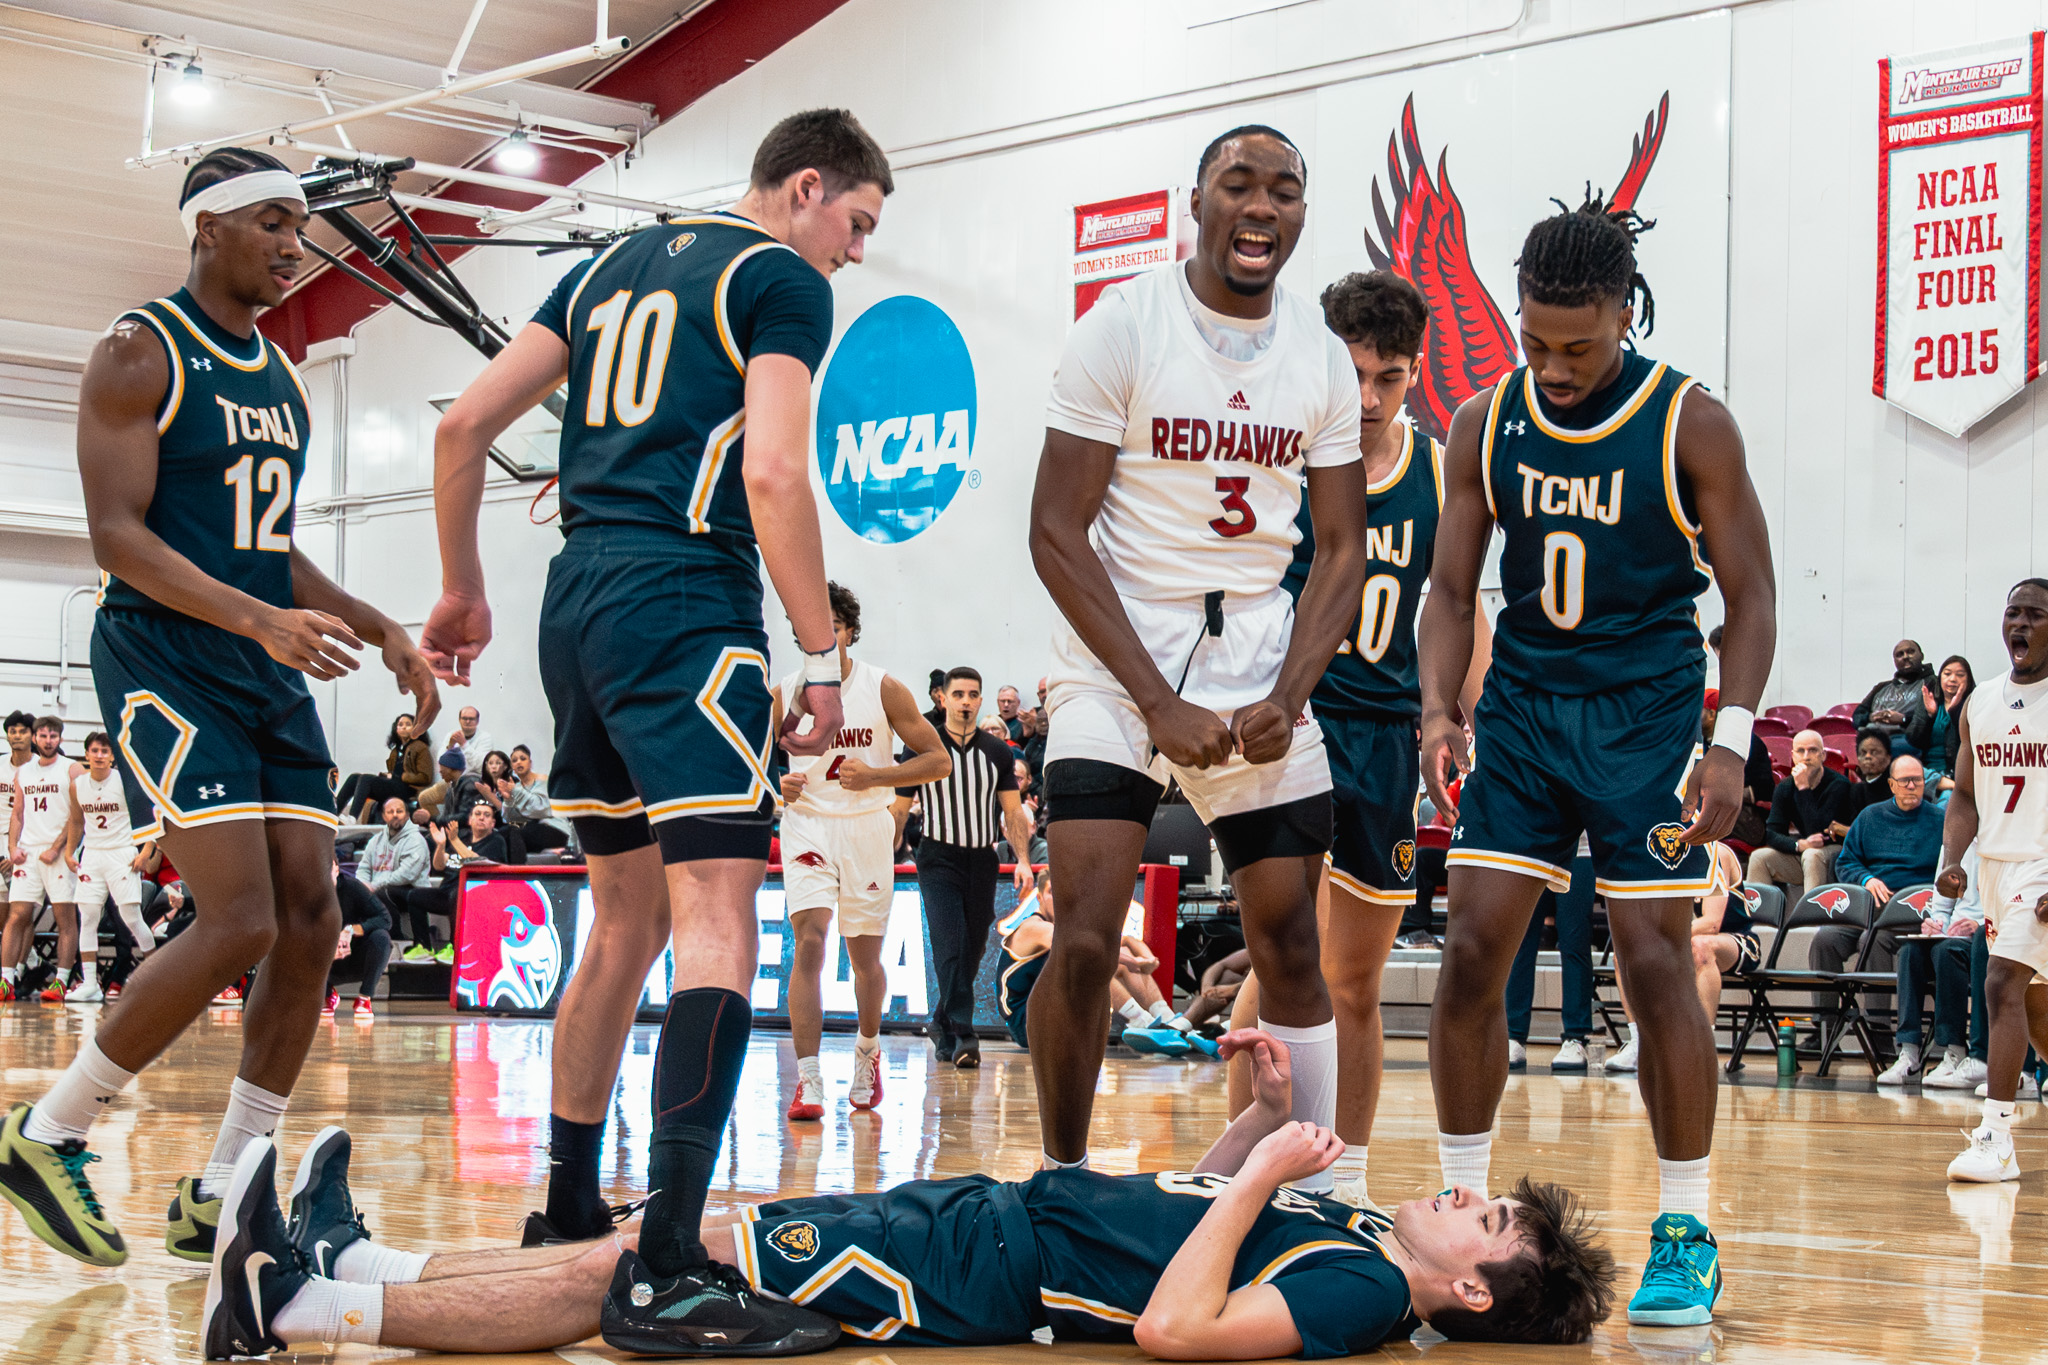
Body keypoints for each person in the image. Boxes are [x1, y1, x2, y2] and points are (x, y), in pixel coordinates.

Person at [421, 108, 890, 1349]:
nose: (850, 254)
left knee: (620, 920)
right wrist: (821, 654)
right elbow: (776, 476)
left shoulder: (602, 268)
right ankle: (668, 1259)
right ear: (805, 189)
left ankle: (570, 1211)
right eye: (855, 225)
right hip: (685, 595)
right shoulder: (779, 278)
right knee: (715, 914)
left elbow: (461, 425)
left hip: (573, 600)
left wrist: (461, 585)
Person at [0, 148, 438, 1269]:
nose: (296, 245)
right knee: (237, 917)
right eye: (274, 224)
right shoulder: (137, 350)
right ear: (208, 229)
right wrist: (255, 621)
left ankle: (230, 1184)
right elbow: (117, 536)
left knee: (314, 919)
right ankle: (49, 1130)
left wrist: (379, 623)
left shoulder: (282, 378)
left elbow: (268, 548)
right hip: (164, 654)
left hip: (258, 655)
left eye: (301, 227)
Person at [198, 1030, 1617, 1359]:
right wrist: (1253, 1108)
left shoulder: (1367, 1294)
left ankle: (306, 1307)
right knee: (649, 1239)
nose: (1465, 1196)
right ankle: (356, 1256)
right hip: (986, 1216)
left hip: (970, 1274)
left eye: (1488, 1221)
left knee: (628, 1276)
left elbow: (1179, 1330)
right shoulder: (1363, 1234)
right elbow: (1195, 1202)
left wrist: (1255, 1174)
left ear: (1477, 1284)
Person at [1414, 192, 1777, 1327]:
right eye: (1534, 341)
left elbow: (1751, 592)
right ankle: (1460, 1195)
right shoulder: (1483, 420)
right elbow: (1446, 587)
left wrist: (1729, 737)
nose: (1553, 365)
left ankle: (1685, 1227)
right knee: (1472, 945)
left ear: (1626, 314)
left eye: (1576, 345)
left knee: (1652, 958)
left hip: (1642, 713)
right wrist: (1438, 709)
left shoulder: (1690, 423)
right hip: (1520, 710)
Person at [1028, 124, 1367, 1180]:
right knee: (1083, 938)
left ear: (1300, 214)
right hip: (1115, 656)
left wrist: (1289, 688)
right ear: (1198, 202)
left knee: (1289, 946)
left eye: (1282, 190)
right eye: (1239, 185)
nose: (1260, 206)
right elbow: (1052, 529)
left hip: (1257, 652)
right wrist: (1152, 701)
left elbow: (1342, 550)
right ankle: (1064, 1183)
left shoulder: (1317, 357)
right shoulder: (1123, 325)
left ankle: (1300, 1191)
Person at [1273, 269, 1490, 1202]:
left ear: (1415, 373)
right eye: (1352, 373)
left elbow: (1462, 605)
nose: (1366, 397)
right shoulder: (1275, 459)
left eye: (1389, 378)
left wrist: (1460, 719)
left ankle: (1344, 1183)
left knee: (1350, 980)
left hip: (1384, 735)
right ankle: (1261, 1162)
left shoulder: (1440, 471)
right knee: (1288, 967)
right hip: (1286, 728)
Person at [769, 582, 949, 1120]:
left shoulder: (882, 687)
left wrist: (878, 775)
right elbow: (749, 767)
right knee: (808, 944)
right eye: (808, 630)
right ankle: (808, 1081)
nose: (819, 638)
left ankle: (867, 1054)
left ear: (848, 631)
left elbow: (937, 761)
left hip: (867, 829)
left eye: (830, 628)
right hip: (807, 827)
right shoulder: (782, 693)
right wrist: (779, 783)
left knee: (864, 960)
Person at [1939, 580, 2048, 1182]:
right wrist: (1951, 861)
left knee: (2000, 982)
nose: (2020, 624)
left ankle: (1997, 1138)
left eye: (2035, 614)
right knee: (2034, 1005)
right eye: (2013, 613)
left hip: (2044, 860)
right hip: (1997, 867)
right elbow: (1963, 794)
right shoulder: (1979, 702)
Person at [897, 667, 1036, 1067]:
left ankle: (941, 1020)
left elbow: (1012, 810)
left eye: (973, 694)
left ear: (980, 700)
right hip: (937, 857)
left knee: (973, 946)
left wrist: (1023, 860)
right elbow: (900, 808)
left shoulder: (996, 752)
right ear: (942, 698)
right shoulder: (922, 746)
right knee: (949, 940)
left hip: (982, 859)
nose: (965, 701)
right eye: (957, 694)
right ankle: (964, 1032)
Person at [997, 871, 1211, 1055]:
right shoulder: (1034, 927)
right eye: (1052, 892)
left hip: (1052, 1010)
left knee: (1114, 953)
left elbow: (1126, 941)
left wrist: (1147, 960)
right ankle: (1142, 1022)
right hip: (1026, 1022)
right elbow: (1090, 950)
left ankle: (1168, 1020)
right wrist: (1135, 962)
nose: (1058, 898)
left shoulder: (1070, 925)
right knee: (1091, 960)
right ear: (1040, 897)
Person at [1807, 754, 1946, 986]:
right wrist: (1866, 879)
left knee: (1872, 940)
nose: (1911, 786)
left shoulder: (1942, 821)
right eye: (1904, 781)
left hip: (1913, 909)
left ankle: (1877, 1022)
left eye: (1917, 780)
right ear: (1891, 785)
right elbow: (1845, 862)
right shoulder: (1869, 817)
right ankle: (1827, 1020)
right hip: (1869, 906)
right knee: (1824, 940)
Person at [62, 731, 158, 1003]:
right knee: (88, 917)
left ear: (113, 756)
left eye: (105, 751)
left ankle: (157, 976)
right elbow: (76, 821)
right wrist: (70, 851)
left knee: (131, 918)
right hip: (92, 855)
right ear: (87, 754)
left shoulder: (126, 781)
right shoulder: (77, 785)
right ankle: (90, 983)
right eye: (95, 750)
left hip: (122, 855)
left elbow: (151, 816)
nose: (100, 755)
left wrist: (146, 851)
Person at [1874, 882, 1981, 1087]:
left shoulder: (2000, 852)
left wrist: (1979, 924)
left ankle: (1955, 1050)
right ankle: (1909, 1054)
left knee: (1946, 952)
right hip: (1951, 935)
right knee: (1909, 952)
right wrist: (1936, 924)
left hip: (1983, 936)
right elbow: (1942, 905)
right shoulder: (1949, 849)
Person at [1504, 844, 1596, 1073]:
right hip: (1531, 849)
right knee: (1520, 943)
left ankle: (1576, 1036)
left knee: (1574, 943)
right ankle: (1513, 1035)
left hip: (1580, 850)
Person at [9, 717, 80, 1000]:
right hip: (28, 851)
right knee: (17, 916)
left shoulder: (72, 768)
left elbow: (77, 815)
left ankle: (61, 982)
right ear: (35, 739)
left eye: (53, 735)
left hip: (59, 853)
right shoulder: (24, 772)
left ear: (60, 739)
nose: (48, 740)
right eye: (43, 735)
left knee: (65, 919)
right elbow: (17, 813)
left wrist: (57, 848)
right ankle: (6, 980)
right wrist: (13, 846)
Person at [1747, 729, 1853, 897]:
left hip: (1838, 854)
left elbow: (1817, 830)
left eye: (1813, 750)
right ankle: (1759, 916)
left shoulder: (1839, 785)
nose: (1806, 756)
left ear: (1823, 755)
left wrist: (1803, 789)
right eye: (1800, 751)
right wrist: (1797, 845)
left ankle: (1812, 917)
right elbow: (1772, 833)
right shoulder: (1786, 787)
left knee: (1812, 855)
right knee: (1760, 857)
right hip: (1808, 852)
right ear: (1793, 756)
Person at [400, 802, 507, 962]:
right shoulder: (462, 837)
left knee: (457, 894)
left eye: (486, 815)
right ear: (470, 820)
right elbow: (439, 865)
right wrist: (441, 846)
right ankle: (423, 946)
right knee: (414, 896)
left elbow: (478, 863)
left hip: (477, 895)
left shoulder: (496, 841)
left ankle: (454, 947)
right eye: (477, 814)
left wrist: (455, 841)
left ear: (492, 823)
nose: (481, 818)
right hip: (447, 892)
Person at [325, 858, 393, 1021]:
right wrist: (326, 947)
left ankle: (364, 998)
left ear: (336, 868)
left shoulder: (352, 888)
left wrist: (351, 930)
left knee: (381, 938)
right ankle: (326, 994)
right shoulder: (307, 894)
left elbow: (385, 919)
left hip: (356, 957)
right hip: (325, 962)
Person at [335, 712, 430, 823]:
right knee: (354, 777)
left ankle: (352, 818)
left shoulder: (420, 747)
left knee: (366, 778)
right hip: (394, 785)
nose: (404, 727)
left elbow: (425, 777)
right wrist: (388, 776)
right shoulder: (396, 750)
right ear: (396, 729)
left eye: (408, 724)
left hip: (408, 790)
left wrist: (402, 777)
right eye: (400, 725)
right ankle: (333, 813)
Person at [1906, 654, 1974, 798]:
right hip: (1927, 772)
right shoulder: (1930, 701)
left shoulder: (1974, 704)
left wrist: (1955, 713)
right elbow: (1913, 740)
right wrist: (1929, 716)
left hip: (1956, 773)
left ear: (1968, 680)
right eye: (1947, 674)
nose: (1952, 679)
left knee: (1947, 801)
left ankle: (1948, 786)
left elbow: (1970, 744)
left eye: (1960, 675)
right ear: (1940, 678)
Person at [355, 796, 431, 925]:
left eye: (399, 811)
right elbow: (364, 868)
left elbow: (406, 875)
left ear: (407, 815)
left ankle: (396, 935)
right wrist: (363, 886)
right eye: (390, 812)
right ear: (384, 816)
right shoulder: (376, 841)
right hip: (379, 889)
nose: (395, 815)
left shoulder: (416, 840)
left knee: (383, 893)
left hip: (412, 892)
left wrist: (373, 886)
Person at [0, 709, 33, 998]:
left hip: (30, 847)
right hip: (1, 845)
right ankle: (29, 961)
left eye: (22, 730)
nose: (17, 735)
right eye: (12, 730)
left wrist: (18, 849)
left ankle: (22, 967)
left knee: (22, 914)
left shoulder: (41, 768)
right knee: (5, 917)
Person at [1853, 639, 1935, 748]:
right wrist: (1871, 717)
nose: (1905, 656)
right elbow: (1857, 717)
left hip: (1909, 741)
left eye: (1911, 652)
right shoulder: (1881, 687)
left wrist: (1903, 719)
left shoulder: (1932, 683)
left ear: (1922, 655)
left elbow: (1931, 717)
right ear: (1894, 661)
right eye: (1900, 654)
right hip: (1873, 738)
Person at [503, 745, 571, 852]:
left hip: (555, 829)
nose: (519, 762)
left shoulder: (543, 780)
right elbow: (510, 819)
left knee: (517, 835)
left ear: (530, 763)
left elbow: (539, 809)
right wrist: (507, 800)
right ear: (512, 768)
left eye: (523, 759)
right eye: (514, 761)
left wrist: (516, 791)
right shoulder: (517, 787)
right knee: (503, 835)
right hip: (532, 830)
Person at [444, 706, 492, 774]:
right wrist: (450, 747)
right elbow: (441, 764)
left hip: (476, 778)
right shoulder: (451, 735)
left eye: (471, 719)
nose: (467, 721)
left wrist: (464, 744)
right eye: (464, 718)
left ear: (477, 721)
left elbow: (481, 766)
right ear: (459, 720)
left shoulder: (485, 737)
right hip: (452, 779)